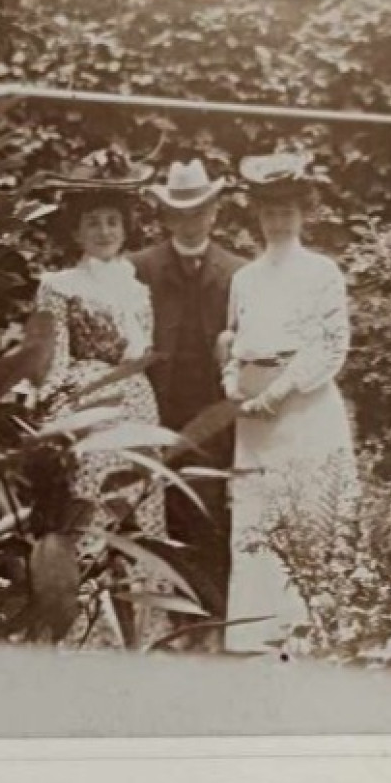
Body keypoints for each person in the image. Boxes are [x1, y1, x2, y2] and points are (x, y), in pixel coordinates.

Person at [220, 152, 360, 657]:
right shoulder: (245, 278)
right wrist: (232, 379)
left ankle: (308, 629)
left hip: (302, 405)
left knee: (306, 508)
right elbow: (234, 339)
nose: (277, 221)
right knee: (256, 512)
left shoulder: (323, 273)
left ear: (304, 214)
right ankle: (255, 633)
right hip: (254, 415)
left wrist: (278, 392)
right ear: (257, 216)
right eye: (268, 212)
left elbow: (330, 347)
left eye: (287, 211)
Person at [34, 161, 172, 649]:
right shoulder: (59, 285)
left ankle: (152, 633)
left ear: (125, 226)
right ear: (76, 230)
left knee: (142, 515)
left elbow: (145, 350)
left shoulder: (138, 286)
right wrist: (60, 418)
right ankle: (90, 636)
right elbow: (52, 360)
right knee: (90, 517)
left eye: (112, 221)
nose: (104, 231)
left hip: (138, 405)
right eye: (93, 222)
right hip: (89, 408)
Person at [130, 159, 246, 636]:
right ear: (166, 218)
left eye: (200, 210)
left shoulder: (239, 272)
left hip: (215, 418)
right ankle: (168, 620)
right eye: (181, 212)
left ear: (215, 213)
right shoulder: (139, 268)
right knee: (157, 514)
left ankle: (212, 620)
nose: (191, 220)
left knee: (211, 510)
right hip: (155, 408)